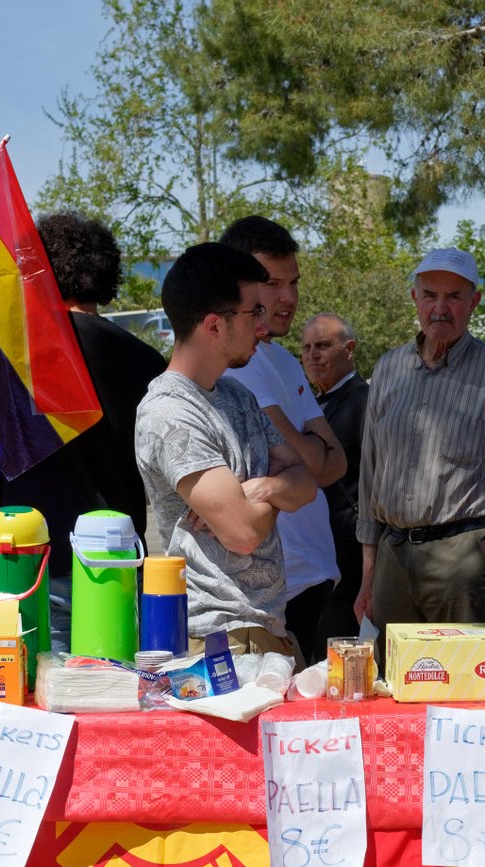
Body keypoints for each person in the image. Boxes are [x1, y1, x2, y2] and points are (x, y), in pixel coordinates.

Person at [0, 212, 163, 646]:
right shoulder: (146, 361)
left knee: (34, 706)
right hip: (116, 560)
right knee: (109, 702)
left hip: (27, 559)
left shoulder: (10, 357)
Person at [133, 243, 315, 656]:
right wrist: (275, 487)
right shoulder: (170, 414)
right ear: (214, 326)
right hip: (218, 639)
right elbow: (244, 532)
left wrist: (261, 490)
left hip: (267, 632)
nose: (264, 328)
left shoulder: (238, 396)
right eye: (255, 313)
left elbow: (306, 483)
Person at [354, 248, 485, 630]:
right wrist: (369, 575)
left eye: (454, 297)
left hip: (462, 559)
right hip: (393, 557)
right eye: (430, 295)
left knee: (464, 684)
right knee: (393, 682)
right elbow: (369, 478)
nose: (440, 308)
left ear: (473, 302)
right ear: (414, 299)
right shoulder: (388, 369)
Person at [220, 216, 347, 664]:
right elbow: (309, 460)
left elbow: (335, 465)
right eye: (272, 283)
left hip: (314, 572)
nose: (288, 298)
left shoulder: (285, 361)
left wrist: (308, 455)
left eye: (293, 282)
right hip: (275, 582)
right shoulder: (239, 363)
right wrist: (311, 451)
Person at [301, 312, 369, 646]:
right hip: (314, 556)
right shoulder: (310, 404)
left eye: (323, 345)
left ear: (349, 349)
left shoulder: (365, 402)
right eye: (307, 347)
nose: (313, 354)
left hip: (349, 558)